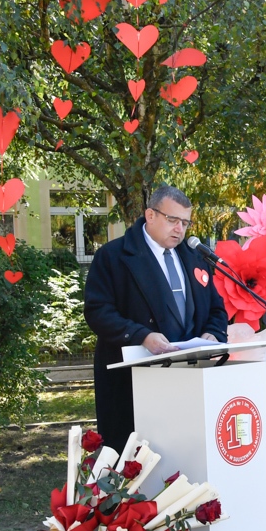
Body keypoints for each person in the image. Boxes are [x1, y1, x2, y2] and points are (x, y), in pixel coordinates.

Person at [84, 186, 228, 452]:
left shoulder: (195, 258)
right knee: (136, 463)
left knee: (186, 457)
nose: (179, 229)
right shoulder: (114, 256)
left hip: (188, 382)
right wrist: (142, 336)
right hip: (132, 384)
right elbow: (98, 311)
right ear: (150, 215)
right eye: (172, 220)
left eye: (185, 222)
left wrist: (214, 332)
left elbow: (216, 309)